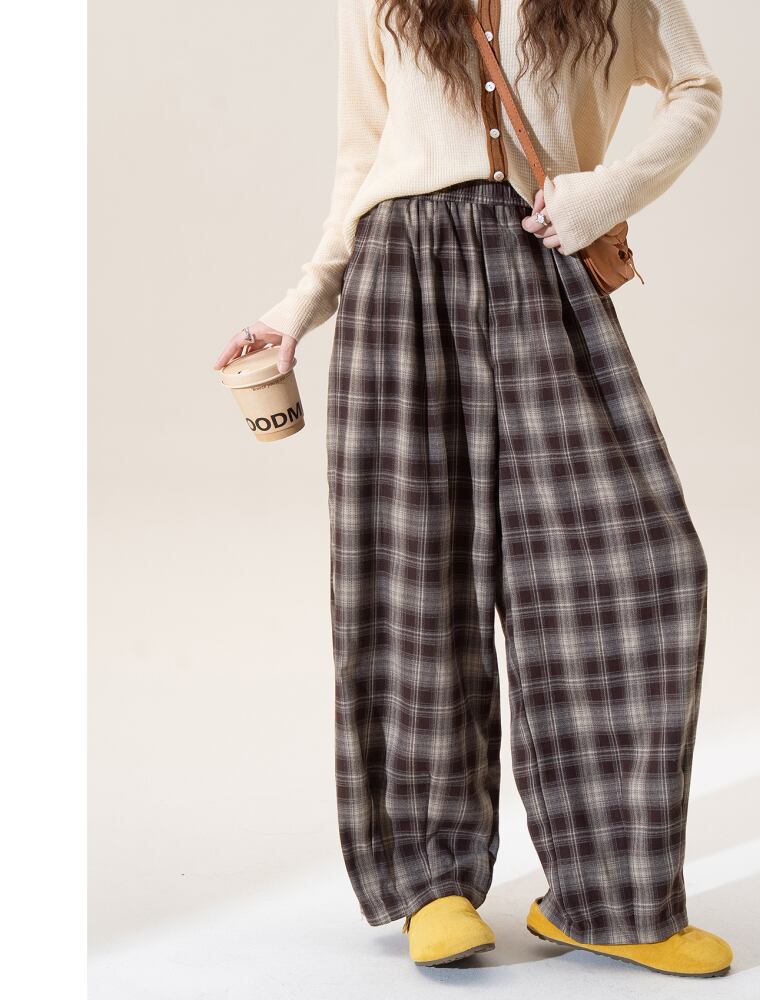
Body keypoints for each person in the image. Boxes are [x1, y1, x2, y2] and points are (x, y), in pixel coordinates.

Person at [213, 0, 730, 976]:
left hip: (544, 260)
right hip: (395, 277)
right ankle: (432, 884)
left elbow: (696, 89)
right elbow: (361, 158)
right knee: (415, 586)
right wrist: (297, 307)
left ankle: (612, 898)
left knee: (635, 573)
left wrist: (609, 190)